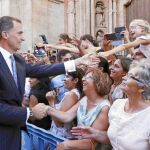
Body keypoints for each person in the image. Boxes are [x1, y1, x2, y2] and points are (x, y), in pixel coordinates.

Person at [0, 16, 99, 150]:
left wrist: (77, 62)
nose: (23, 38)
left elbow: (41, 69)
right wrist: (29, 113)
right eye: (20, 33)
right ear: (5, 34)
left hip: (14, 133)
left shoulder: (17, 60)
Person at [71, 59, 150, 150]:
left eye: (131, 77)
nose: (124, 77)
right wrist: (95, 133)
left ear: (142, 88)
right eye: (127, 74)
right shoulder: (117, 105)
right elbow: (115, 139)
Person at [46, 69, 112, 149]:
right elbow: (66, 116)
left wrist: (67, 144)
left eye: (88, 77)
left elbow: (93, 143)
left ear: (97, 83)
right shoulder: (84, 99)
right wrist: (47, 109)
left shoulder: (104, 107)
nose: (83, 79)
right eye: (84, 76)